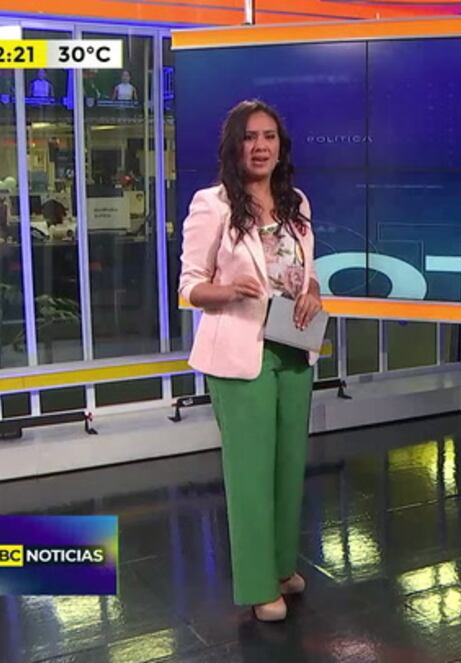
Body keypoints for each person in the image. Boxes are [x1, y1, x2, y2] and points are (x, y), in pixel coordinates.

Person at [178, 99, 323, 623]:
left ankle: (282, 567)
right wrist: (227, 290)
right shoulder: (212, 204)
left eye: (269, 136)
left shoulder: (296, 202)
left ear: (281, 145)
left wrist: (313, 291)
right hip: (241, 353)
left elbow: (304, 271)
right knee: (251, 475)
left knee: (288, 467)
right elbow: (190, 286)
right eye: (249, 137)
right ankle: (259, 586)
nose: (260, 146)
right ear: (234, 146)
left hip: (294, 346)